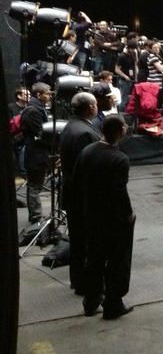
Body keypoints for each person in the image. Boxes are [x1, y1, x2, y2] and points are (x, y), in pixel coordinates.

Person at [73, 115, 135, 319]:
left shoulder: (87, 151)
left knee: (95, 259)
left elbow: (77, 180)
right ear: (119, 131)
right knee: (117, 261)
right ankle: (113, 303)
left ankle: (90, 302)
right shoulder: (120, 159)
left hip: (90, 214)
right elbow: (119, 192)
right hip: (113, 219)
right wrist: (128, 214)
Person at [58, 92, 101, 296]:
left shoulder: (71, 126)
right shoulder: (85, 132)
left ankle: (78, 281)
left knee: (77, 241)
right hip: (84, 197)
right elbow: (90, 169)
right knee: (87, 243)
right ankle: (86, 284)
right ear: (91, 107)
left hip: (72, 192)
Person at [20, 82, 52, 224]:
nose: (49, 96)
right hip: (35, 154)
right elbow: (40, 134)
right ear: (38, 95)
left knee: (35, 185)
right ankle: (36, 217)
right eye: (47, 94)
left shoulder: (36, 108)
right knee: (34, 186)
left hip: (37, 153)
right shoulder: (33, 111)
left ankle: (36, 216)